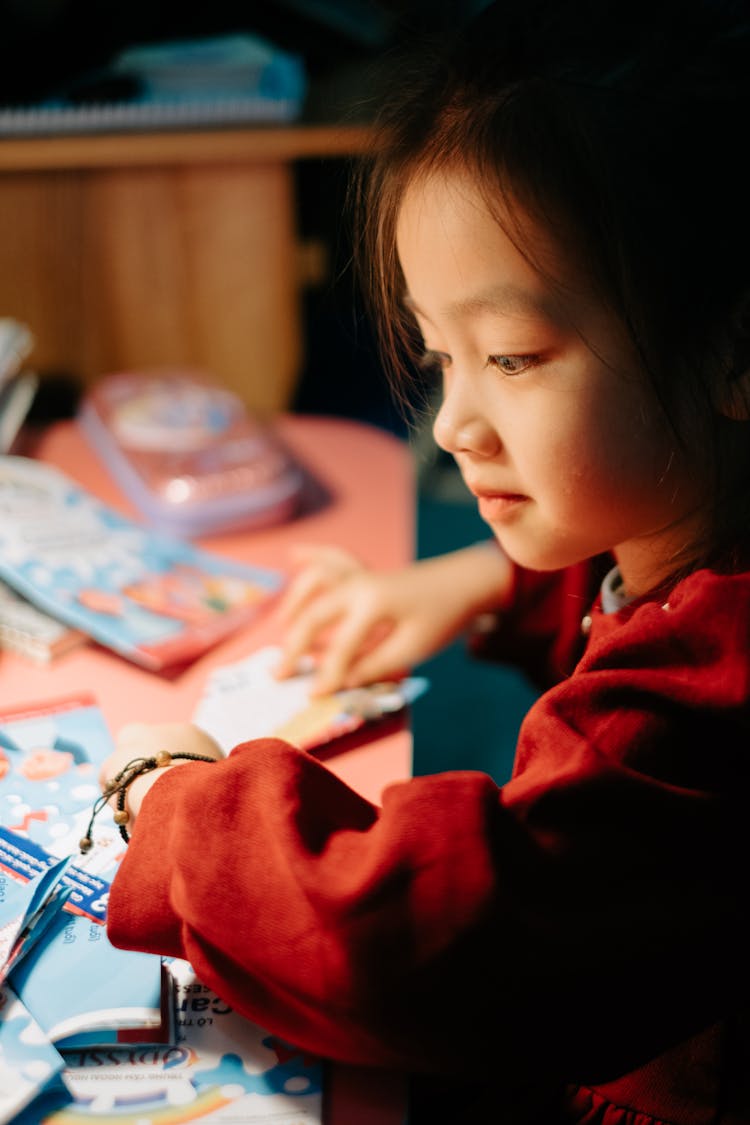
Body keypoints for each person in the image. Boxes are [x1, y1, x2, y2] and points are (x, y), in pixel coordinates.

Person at [98, 1, 750, 1119]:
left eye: (512, 355)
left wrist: (169, 801)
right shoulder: (703, 536)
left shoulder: (706, 705)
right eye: (441, 353)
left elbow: (420, 951)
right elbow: (643, 598)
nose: (453, 422)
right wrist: (483, 578)